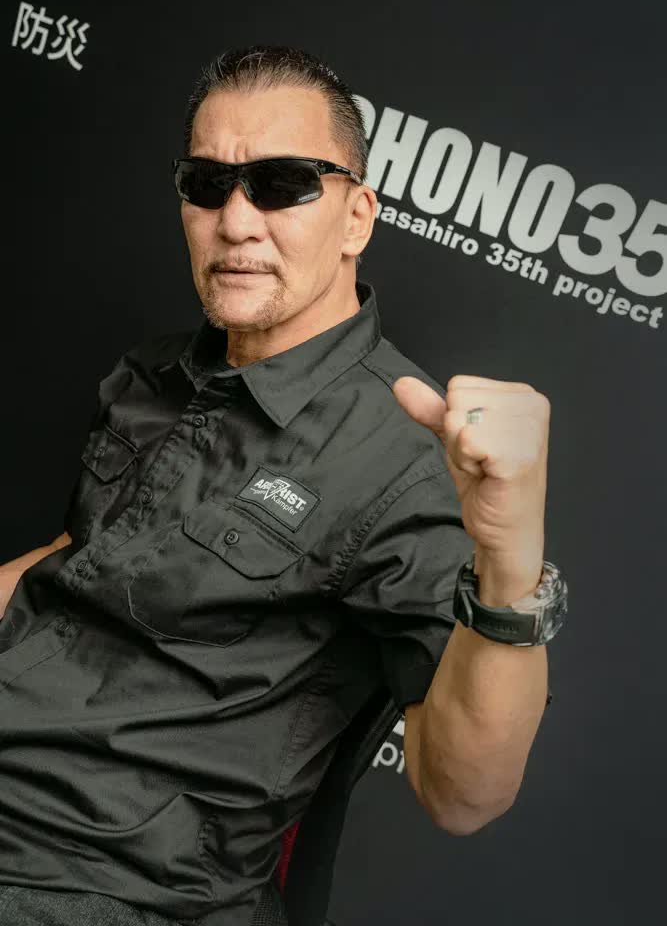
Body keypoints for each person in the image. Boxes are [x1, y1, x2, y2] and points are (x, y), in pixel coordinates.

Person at [0, 45, 556, 926]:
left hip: (100, 884)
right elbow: (77, 561)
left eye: (281, 184)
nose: (235, 221)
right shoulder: (152, 374)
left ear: (355, 216)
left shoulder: (409, 457)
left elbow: (464, 796)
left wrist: (510, 558)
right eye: (207, 184)